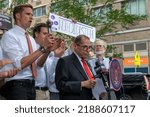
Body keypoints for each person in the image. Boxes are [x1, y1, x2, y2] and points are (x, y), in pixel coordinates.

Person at [0, 4, 57, 100]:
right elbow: (20, 63)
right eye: (27, 14)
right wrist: (43, 48)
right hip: (16, 84)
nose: (31, 17)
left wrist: (47, 50)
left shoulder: (30, 39)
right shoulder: (10, 36)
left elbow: (38, 64)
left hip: (31, 85)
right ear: (18, 16)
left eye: (32, 14)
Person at [55, 35, 96, 100]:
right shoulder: (65, 61)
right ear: (75, 46)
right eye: (85, 47)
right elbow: (60, 85)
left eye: (89, 47)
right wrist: (81, 84)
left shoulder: (87, 63)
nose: (87, 50)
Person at [32, 23, 50, 100]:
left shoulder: (48, 50)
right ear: (36, 34)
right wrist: (47, 51)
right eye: (44, 34)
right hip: (36, 92)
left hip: (47, 92)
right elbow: (39, 64)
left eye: (48, 34)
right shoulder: (31, 48)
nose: (47, 37)